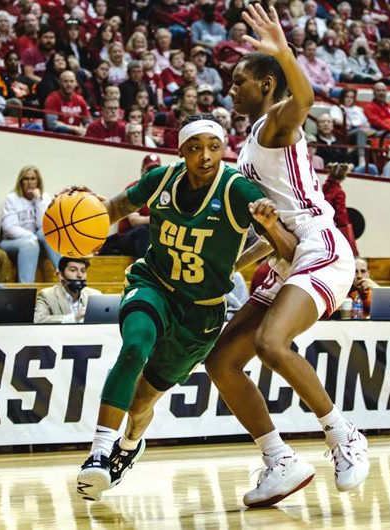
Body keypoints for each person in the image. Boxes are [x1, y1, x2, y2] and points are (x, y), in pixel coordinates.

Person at [75, 113, 295, 503]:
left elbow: (288, 251)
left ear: (224, 149)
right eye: (195, 148)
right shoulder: (161, 179)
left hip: (201, 313)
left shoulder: (238, 191)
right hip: (154, 284)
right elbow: (111, 209)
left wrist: (272, 226)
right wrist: (78, 214)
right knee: (135, 345)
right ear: (181, 152)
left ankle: (127, 446)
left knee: (143, 400)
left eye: (213, 147)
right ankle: (97, 454)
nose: (205, 156)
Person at [206, 4, 368, 508]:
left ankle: (343, 436)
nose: (231, 89)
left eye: (240, 82)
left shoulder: (278, 122)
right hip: (285, 252)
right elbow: (271, 228)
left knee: (272, 343)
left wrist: (283, 51)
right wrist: (231, 265)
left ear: (267, 87)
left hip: (319, 244)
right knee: (222, 361)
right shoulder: (251, 140)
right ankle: (279, 459)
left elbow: (307, 97)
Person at [0, 165, 60, 283]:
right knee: (29, 244)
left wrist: (39, 201)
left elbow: (44, 225)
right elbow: (9, 228)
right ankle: (26, 288)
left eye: (33, 179)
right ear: (20, 182)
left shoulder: (44, 198)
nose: (29, 182)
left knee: (47, 232)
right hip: (12, 243)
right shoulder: (12, 198)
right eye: (26, 179)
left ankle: (63, 271)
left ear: (38, 181)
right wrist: (32, 237)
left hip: (37, 243)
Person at [34, 257, 102, 323]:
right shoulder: (47, 295)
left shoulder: (95, 294)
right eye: (73, 270)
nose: (80, 275)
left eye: (83, 271)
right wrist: (74, 317)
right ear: (61, 275)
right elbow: (38, 320)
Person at [322, 163, 359, 255]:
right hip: (338, 226)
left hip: (325, 223)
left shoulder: (325, 188)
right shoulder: (339, 193)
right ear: (344, 176)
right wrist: (346, 227)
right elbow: (340, 213)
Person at [43, 69, 90, 135]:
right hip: (56, 137)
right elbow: (51, 124)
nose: (69, 84)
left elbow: (88, 121)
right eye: (65, 81)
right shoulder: (52, 99)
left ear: (76, 83)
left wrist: (87, 128)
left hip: (75, 138)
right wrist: (74, 128)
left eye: (71, 81)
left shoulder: (80, 100)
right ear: (60, 82)